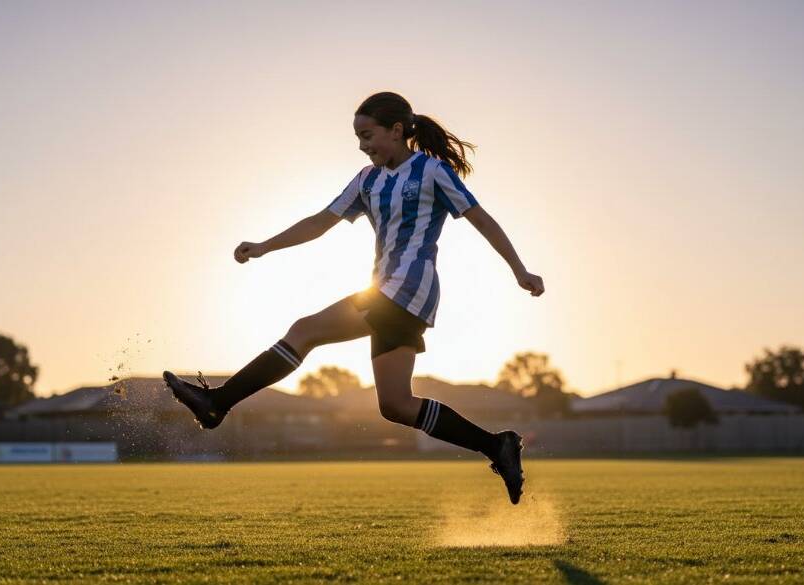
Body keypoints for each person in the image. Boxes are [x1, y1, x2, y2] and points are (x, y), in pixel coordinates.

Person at [163, 91, 545, 504]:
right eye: (358, 139)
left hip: (407, 287)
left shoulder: (431, 171)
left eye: (368, 135)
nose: (363, 146)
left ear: (396, 131)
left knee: (305, 330)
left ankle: (218, 402)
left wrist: (519, 270)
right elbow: (320, 222)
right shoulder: (368, 180)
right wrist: (265, 246)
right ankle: (496, 445)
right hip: (385, 291)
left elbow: (481, 219)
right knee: (396, 405)